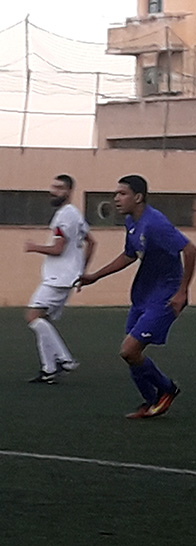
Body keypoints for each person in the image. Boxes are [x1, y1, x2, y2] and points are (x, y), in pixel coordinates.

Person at [78, 174, 195, 419]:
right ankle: (152, 402)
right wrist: (95, 276)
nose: (116, 198)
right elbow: (129, 255)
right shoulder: (132, 222)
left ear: (138, 197)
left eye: (122, 194)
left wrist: (182, 291)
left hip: (165, 295)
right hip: (143, 294)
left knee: (129, 350)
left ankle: (166, 389)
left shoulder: (155, 223)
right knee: (131, 354)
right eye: (116, 193)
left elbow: (190, 249)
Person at [24, 174, 96, 383]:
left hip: (57, 278)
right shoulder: (75, 214)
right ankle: (48, 370)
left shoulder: (64, 216)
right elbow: (92, 242)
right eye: (52, 186)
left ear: (68, 191)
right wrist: (81, 271)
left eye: (59, 188)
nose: (53, 191)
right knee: (42, 320)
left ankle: (65, 359)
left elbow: (57, 249)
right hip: (67, 277)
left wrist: (33, 247)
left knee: (32, 317)